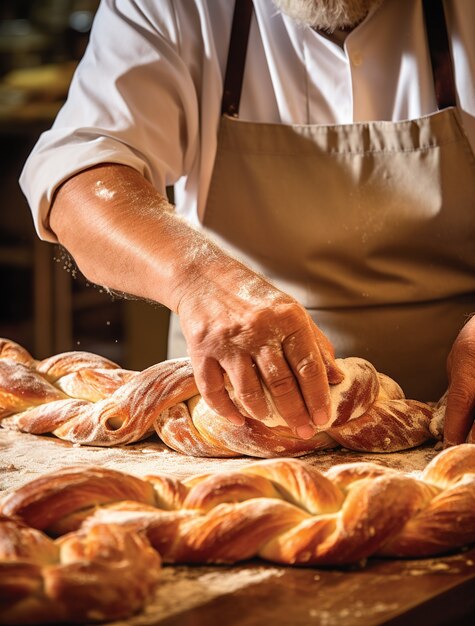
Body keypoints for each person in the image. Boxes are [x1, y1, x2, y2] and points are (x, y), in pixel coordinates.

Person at [20, 0, 475, 446]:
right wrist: (198, 279)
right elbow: (79, 173)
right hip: (235, 423)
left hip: (458, 417)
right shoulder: (174, 7)